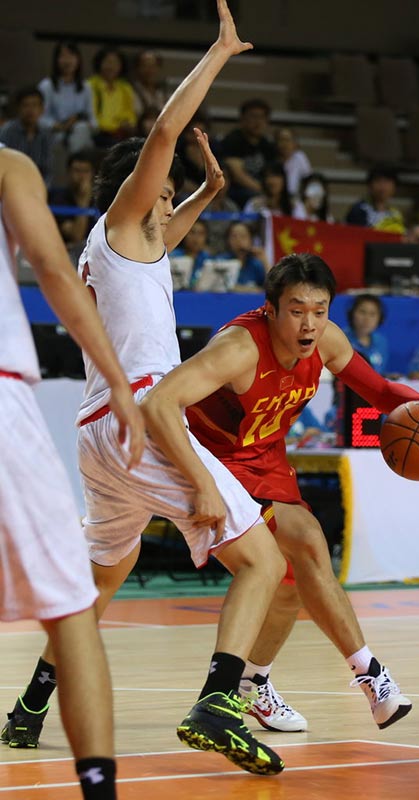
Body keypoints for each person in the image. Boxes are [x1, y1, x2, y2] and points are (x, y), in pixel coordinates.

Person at [4, 0, 286, 777]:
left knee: (101, 578)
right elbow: (162, 138)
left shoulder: (133, 249)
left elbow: (173, 223)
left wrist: (210, 189)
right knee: (261, 561)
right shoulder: (122, 226)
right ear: (139, 195)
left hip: (101, 435)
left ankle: (31, 704)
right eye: (164, 197)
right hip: (142, 423)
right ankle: (219, 701)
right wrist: (221, 54)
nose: (170, 210)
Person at [140, 252, 419, 734]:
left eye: (319, 309)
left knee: (290, 586)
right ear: (271, 309)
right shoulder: (239, 349)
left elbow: (376, 392)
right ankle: (371, 675)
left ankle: (252, 687)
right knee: (310, 538)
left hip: (265, 459)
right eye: (296, 310)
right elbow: (159, 401)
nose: (310, 323)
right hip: (213, 459)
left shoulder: (327, 341)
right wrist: (202, 481)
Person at [0, 145, 145, 798]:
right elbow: (51, 268)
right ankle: (96, 786)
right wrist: (116, 378)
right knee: (71, 606)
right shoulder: (7, 163)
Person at [38, 41, 97, 154]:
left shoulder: (86, 87)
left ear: (78, 59)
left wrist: (83, 123)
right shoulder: (47, 86)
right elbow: (40, 119)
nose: (67, 61)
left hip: (80, 133)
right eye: (63, 56)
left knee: (81, 129)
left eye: (71, 56)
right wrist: (61, 126)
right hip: (55, 135)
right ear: (56, 60)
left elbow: (93, 120)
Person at [220, 97, 277, 207]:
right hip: (237, 191)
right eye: (253, 116)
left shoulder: (267, 145)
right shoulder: (233, 141)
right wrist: (263, 190)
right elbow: (238, 175)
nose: (258, 122)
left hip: (261, 190)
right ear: (243, 119)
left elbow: (273, 172)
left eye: (262, 117)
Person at [0, 86, 53, 186]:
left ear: (42, 109)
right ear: (18, 108)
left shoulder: (46, 133)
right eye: (25, 105)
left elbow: (48, 170)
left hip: (37, 187)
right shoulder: (7, 131)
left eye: (34, 105)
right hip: (10, 185)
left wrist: (42, 189)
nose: (30, 110)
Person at [88, 46, 137, 148]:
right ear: (99, 63)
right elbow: (94, 117)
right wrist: (115, 126)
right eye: (108, 62)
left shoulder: (125, 87)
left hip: (121, 133)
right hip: (98, 133)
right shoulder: (91, 85)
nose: (111, 66)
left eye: (115, 63)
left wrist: (128, 123)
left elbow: (130, 114)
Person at [48, 150, 96, 251]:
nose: (82, 176)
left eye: (86, 171)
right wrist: (83, 201)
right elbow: (76, 236)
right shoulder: (57, 199)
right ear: (68, 173)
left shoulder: (98, 199)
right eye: (77, 171)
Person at [346, 164, 406, 234]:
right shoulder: (359, 211)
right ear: (369, 186)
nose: (382, 186)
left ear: (394, 187)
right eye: (378, 181)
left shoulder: (396, 214)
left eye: (387, 181)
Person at [216, 220, 269, 290]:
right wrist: (253, 290)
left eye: (243, 236)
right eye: (234, 236)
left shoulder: (256, 264)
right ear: (228, 240)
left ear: (251, 240)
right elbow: (221, 287)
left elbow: (272, 288)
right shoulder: (221, 261)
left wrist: (265, 261)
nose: (238, 240)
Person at [344, 294, 389, 375]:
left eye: (372, 314)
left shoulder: (381, 342)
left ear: (380, 318)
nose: (367, 319)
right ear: (352, 313)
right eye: (362, 312)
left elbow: (379, 372)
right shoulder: (340, 338)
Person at [170, 218, 212, 288]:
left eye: (200, 234)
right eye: (192, 232)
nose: (196, 238)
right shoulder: (173, 256)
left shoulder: (208, 259)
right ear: (184, 234)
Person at [274, 127, 312, 198]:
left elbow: (309, 180)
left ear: (294, 143)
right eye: (281, 140)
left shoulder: (300, 157)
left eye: (287, 140)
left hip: (296, 198)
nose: (284, 144)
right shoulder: (272, 159)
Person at [131, 50, 167, 117]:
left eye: (153, 66)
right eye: (145, 65)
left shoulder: (161, 92)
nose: (149, 70)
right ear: (137, 68)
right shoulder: (130, 91)